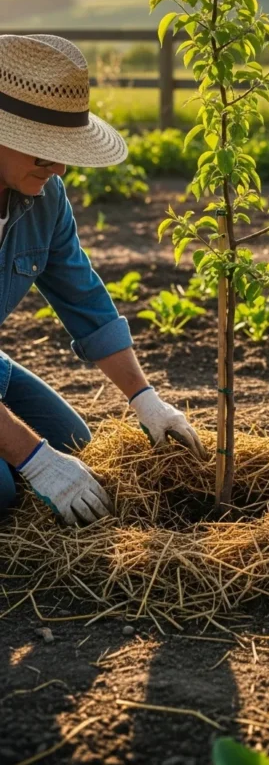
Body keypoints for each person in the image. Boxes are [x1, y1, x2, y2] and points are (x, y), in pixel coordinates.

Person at [0, 33, 207, 526]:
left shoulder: (44, 200)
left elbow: (84, 300)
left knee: (74, 441)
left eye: (63, 150)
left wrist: (145, 398)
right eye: (42, 151)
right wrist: (34, 459)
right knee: (4, 490)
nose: (60, 166)